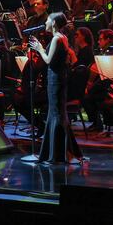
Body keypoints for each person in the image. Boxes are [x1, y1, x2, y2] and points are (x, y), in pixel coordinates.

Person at [28, 13, 82, 164]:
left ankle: (57, 153)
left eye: (47, 20)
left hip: (55, 80)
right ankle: (61, 150)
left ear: (53, 23)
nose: (45, 22)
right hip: (58, 79)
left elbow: (47, 60)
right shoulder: (61, 37)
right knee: (58, 113)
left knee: (56, 113)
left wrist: (39, 48)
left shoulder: (57, 38)